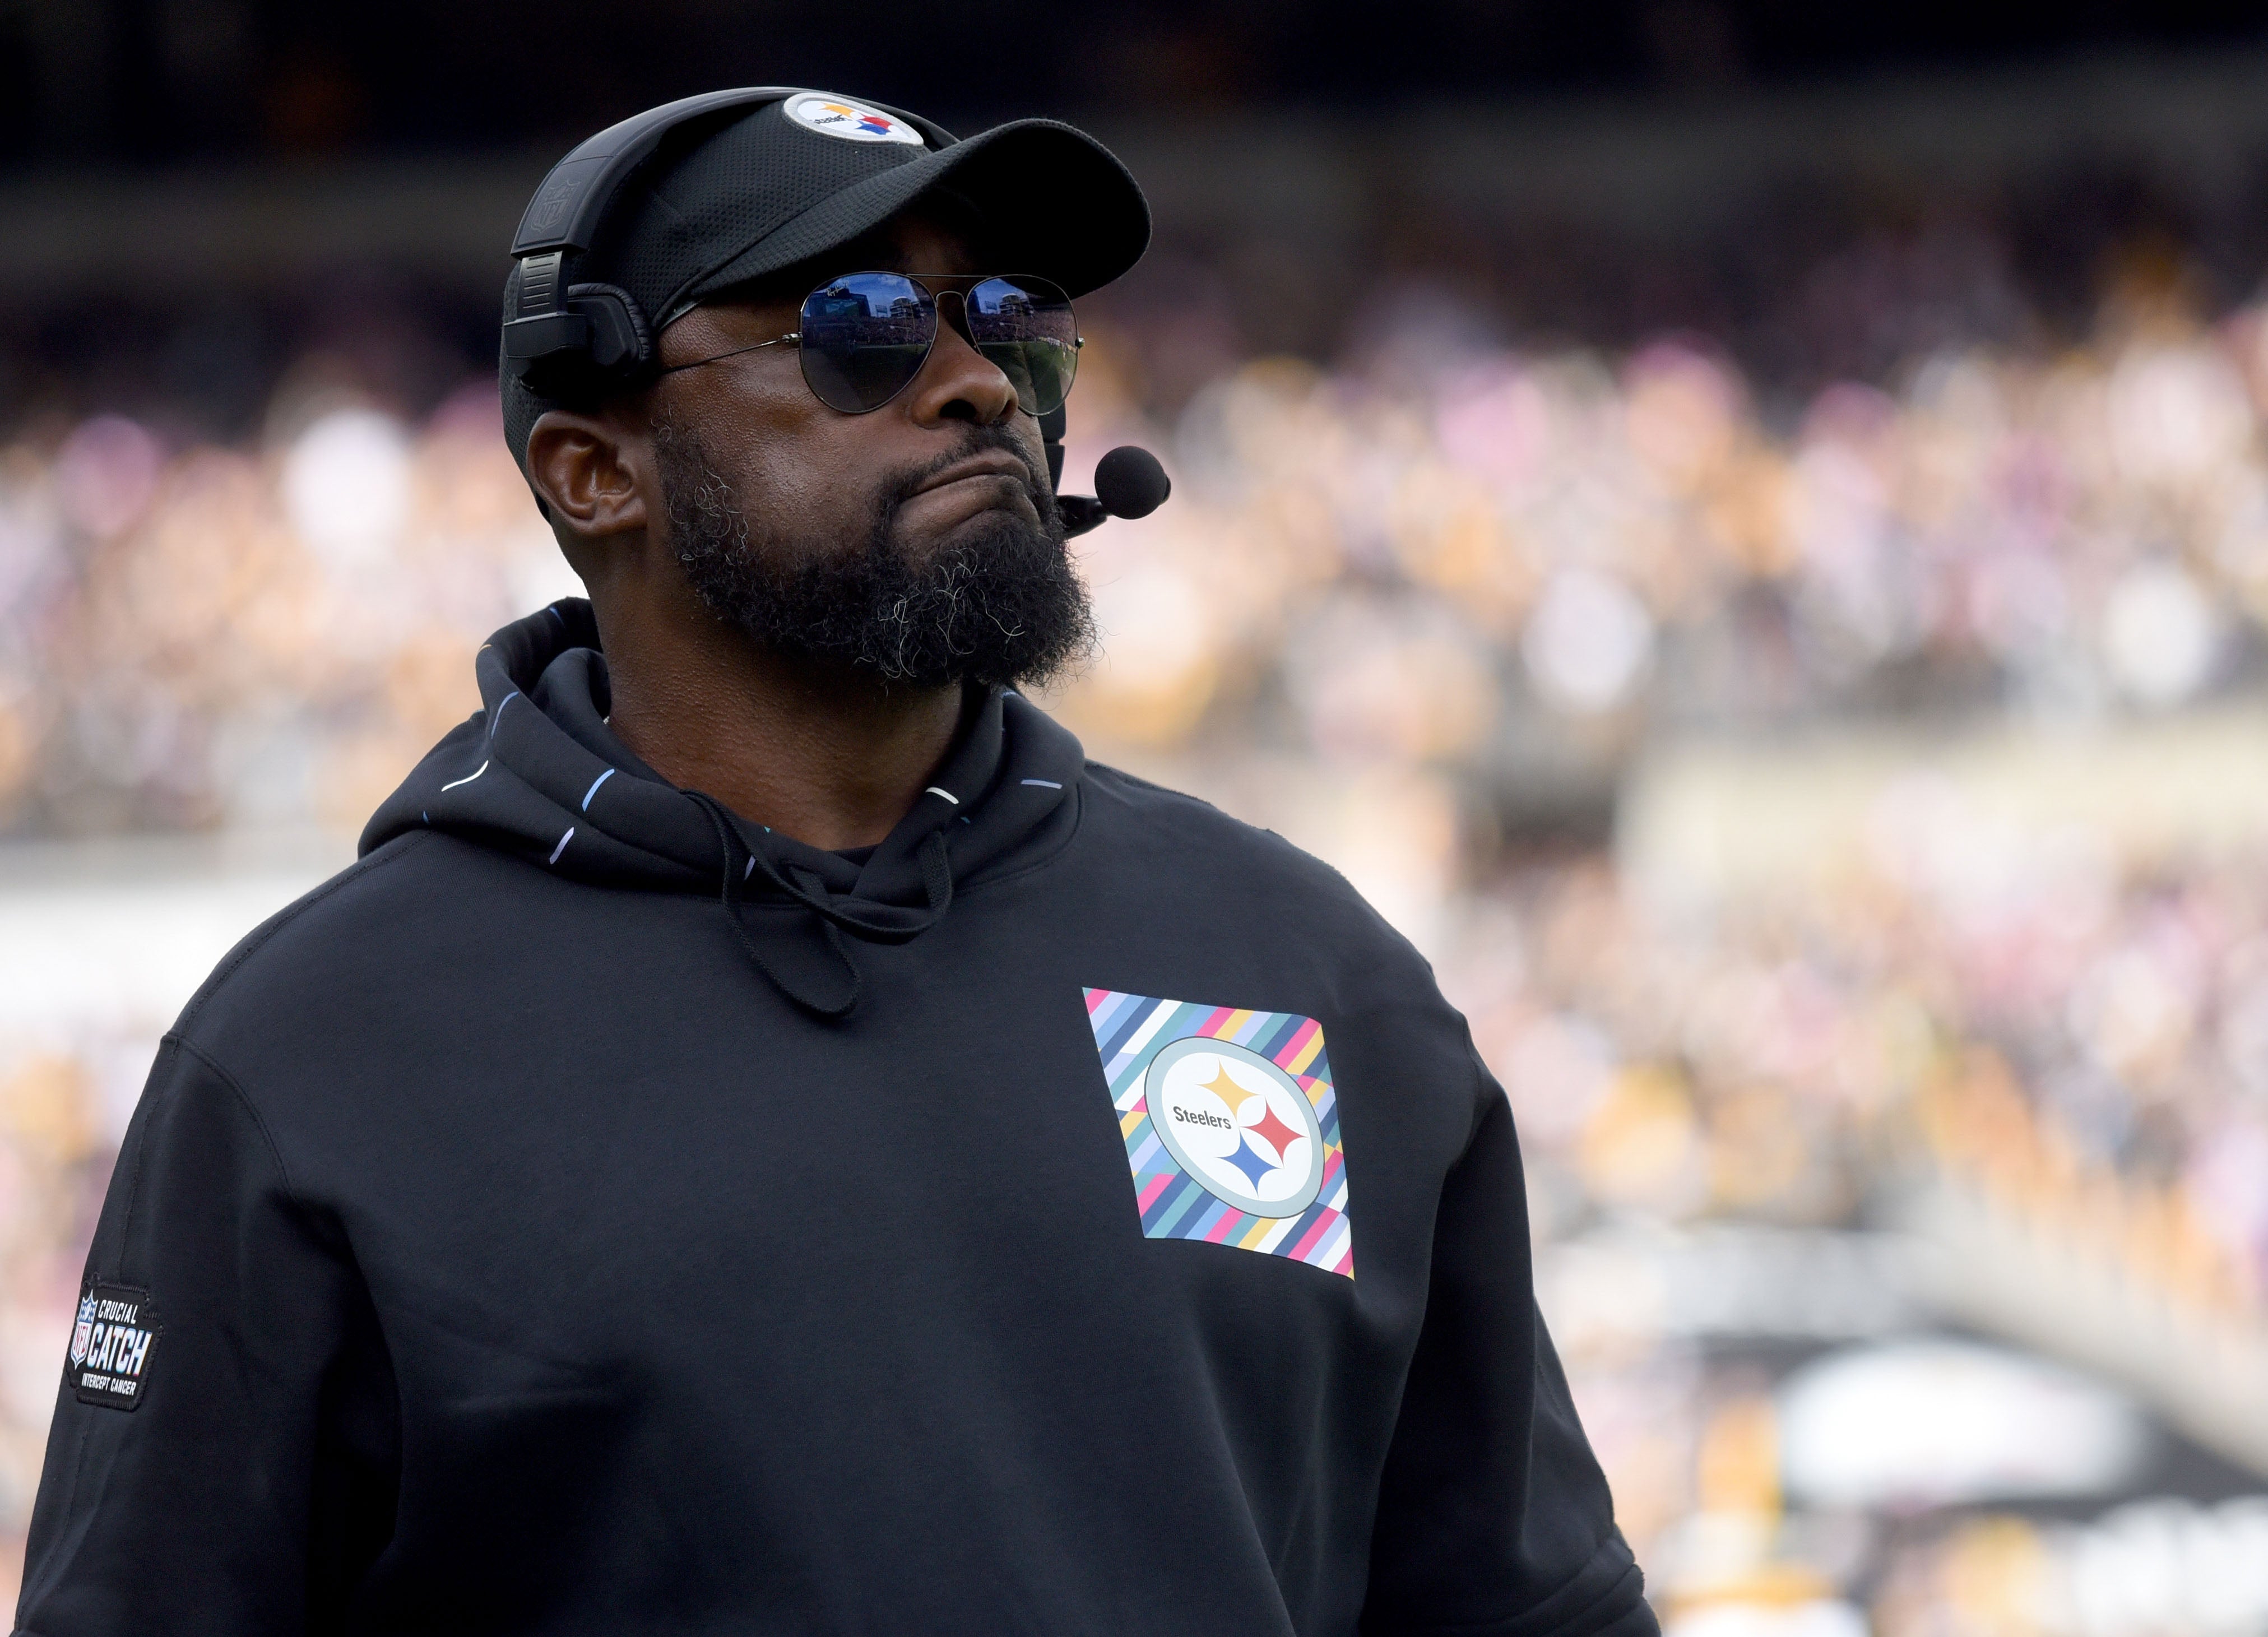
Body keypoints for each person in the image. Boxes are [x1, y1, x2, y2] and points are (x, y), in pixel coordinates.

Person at [16, 89, 1655, 1636]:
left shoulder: (1303, 967)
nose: (977, 384)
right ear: (598, 473)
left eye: (1004, 317)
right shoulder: (320, 1055)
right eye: (861, 328)